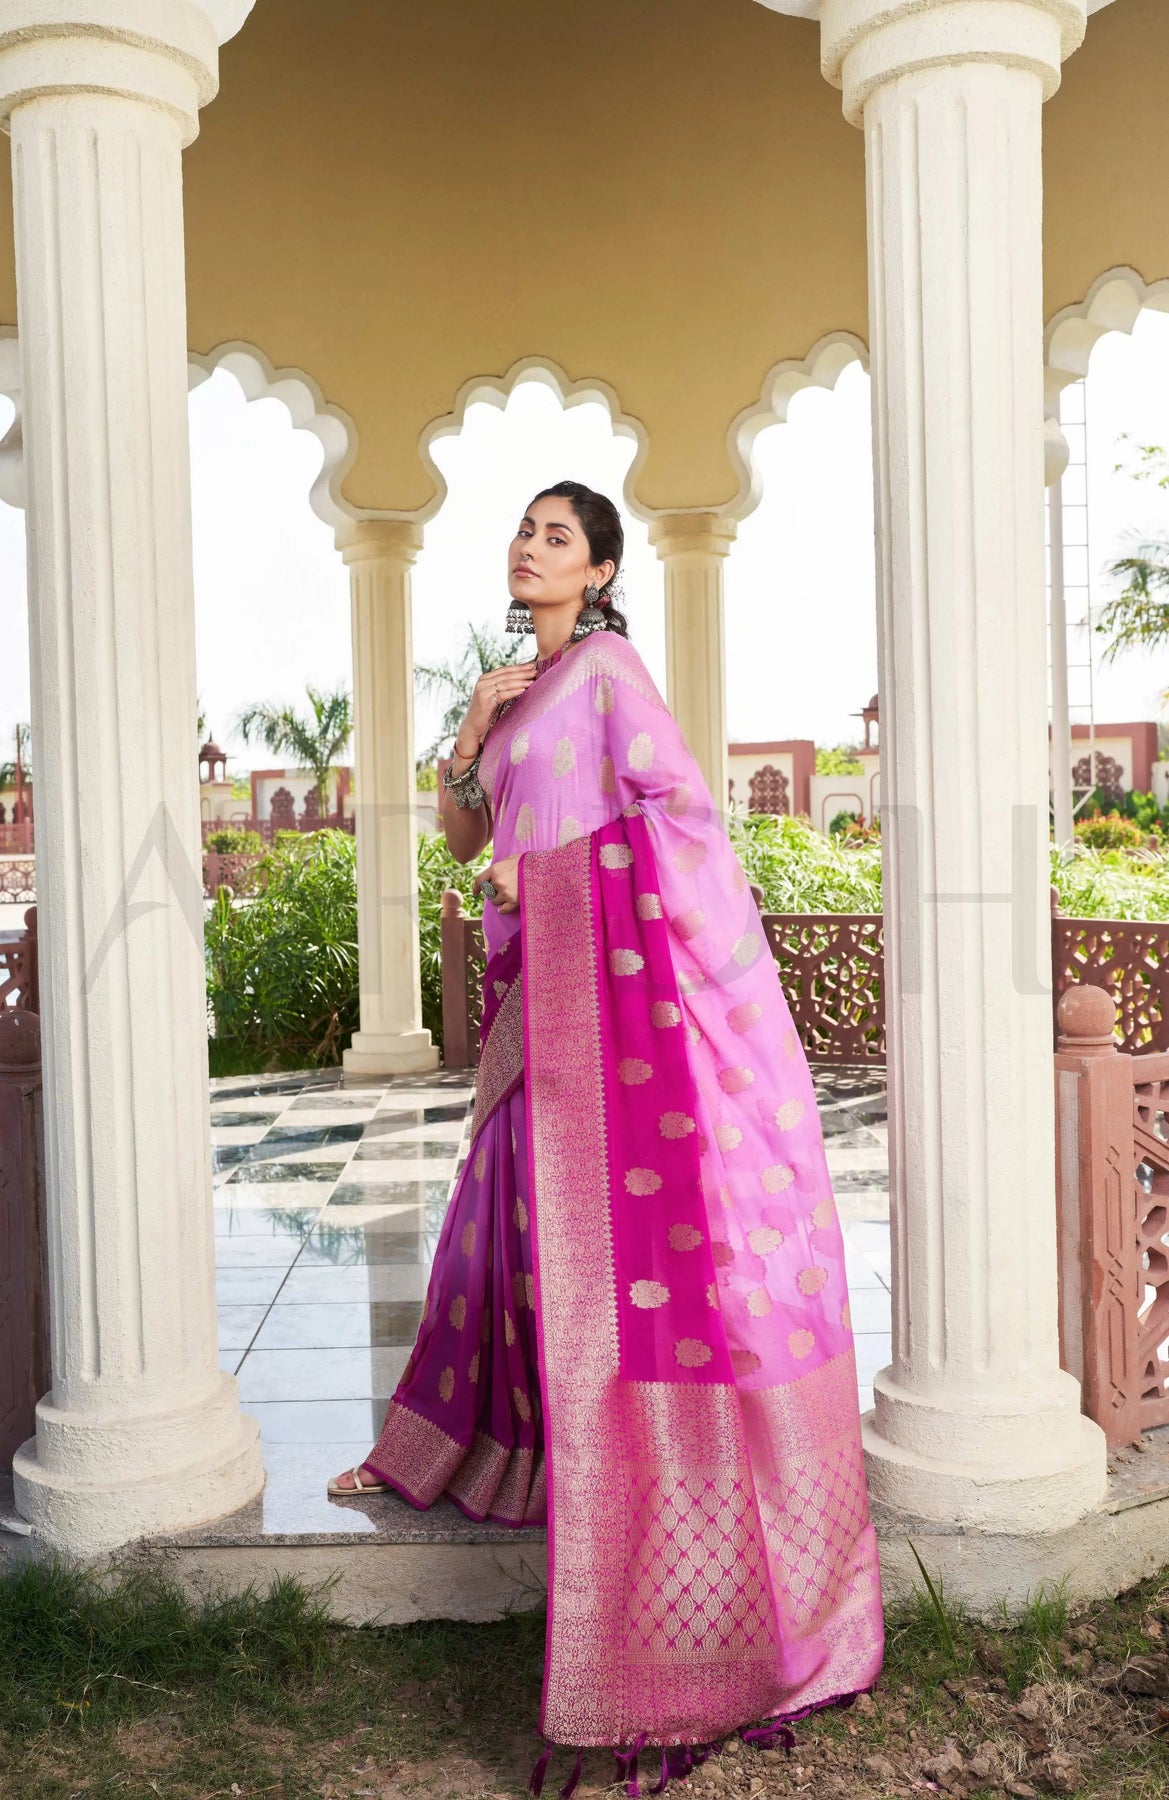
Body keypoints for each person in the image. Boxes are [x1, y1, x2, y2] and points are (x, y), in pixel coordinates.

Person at [329, 480, 883, 1790]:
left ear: (601, 570)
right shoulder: (518, 691)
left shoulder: (609, 673)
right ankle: (503, 1446)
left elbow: (680, 819)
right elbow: (465, 839)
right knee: (510, 1227)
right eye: (523, 531)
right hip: (543, 1007)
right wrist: (469, 733)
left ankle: (657, 1531)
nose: (529, 548)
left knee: (613, 1261)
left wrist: (559, 885)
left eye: (556, 537)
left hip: (609, 1007)